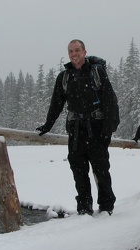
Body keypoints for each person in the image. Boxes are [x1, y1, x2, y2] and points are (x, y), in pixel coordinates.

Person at [36, 39, 116, 215]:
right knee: (79, 171)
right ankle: (84, 208)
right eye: (71, 51)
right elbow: (56, 103)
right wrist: (48, 125)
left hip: (96, 128)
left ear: (85, 52)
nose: (74, 54)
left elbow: (110, 101)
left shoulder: (97, 72)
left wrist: (108, 130)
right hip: (75, 130)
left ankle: (106, 207)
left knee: (101, 170)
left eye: (77, 50)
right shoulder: (64, 77)